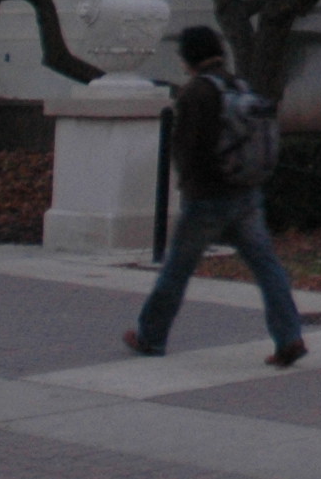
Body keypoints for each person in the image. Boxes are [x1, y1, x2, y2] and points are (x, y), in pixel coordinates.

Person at [124, 26, 305, 367]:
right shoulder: (238, 85)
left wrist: (189, 183)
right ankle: (289, 336)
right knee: (267, 268)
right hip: (246, 193)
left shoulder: (196, 92)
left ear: (189, 57)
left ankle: (151, 336)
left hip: (207, 199)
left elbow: (188, 148)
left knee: (176, 270)